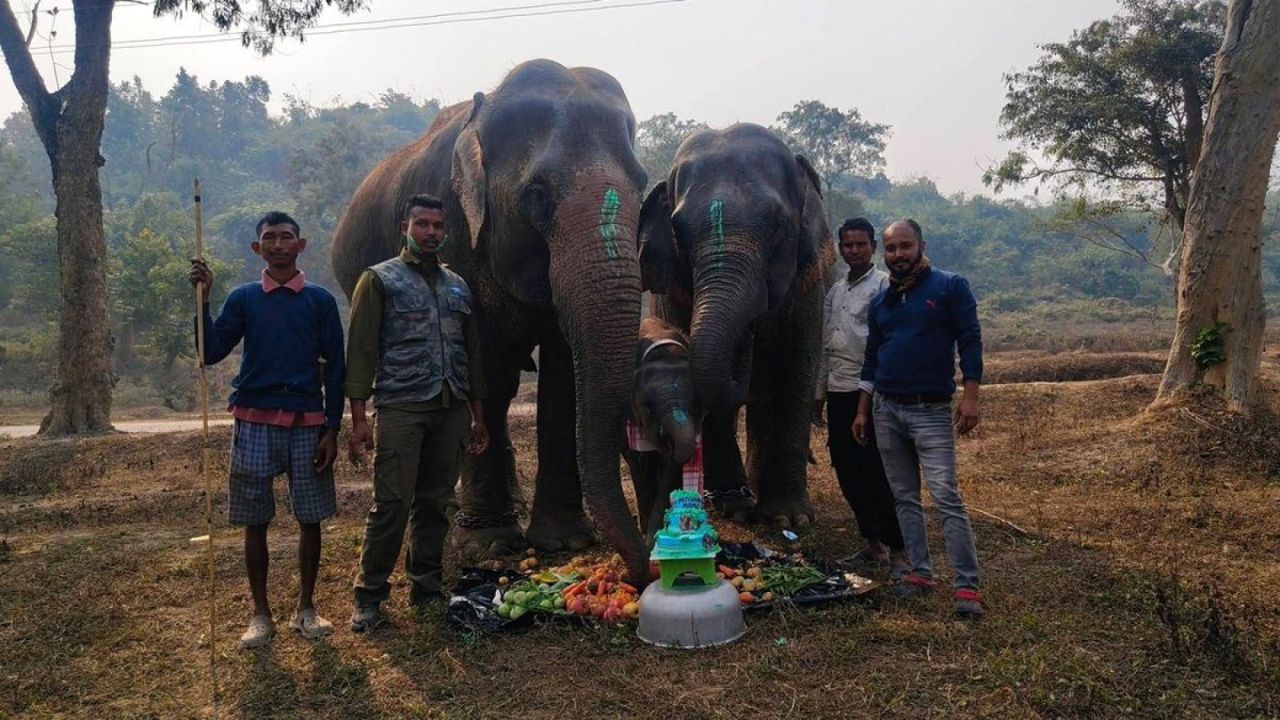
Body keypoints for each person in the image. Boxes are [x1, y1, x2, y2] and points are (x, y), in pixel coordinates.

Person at [188, 211, 345, 648]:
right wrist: (203, 300)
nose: (278, 244)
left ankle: (306, 608)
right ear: (257, 248)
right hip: (254, 418)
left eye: (287, 237)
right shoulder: (242, 299)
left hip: (308, 423)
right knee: (254, 520)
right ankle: (261, 614)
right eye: (270, 238)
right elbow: (210, 352)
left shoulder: (319, 301)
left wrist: (333, 428)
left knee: (310, 518)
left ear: (301, 245)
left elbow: (336, 369)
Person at [346, 193, 489, 633]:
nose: (430, 232)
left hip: (450, 408)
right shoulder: (378, 280)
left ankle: (425, 586)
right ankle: (369, 596)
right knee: (391, 502)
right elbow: (361, 352)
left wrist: (477, 415)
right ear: (404, 227)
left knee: (436, 503)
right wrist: (358, 420)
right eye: (422, 224)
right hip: (403, 406)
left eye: (437, 226)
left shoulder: (457, 285)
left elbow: (472, 354)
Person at [854, 218, 985, 618]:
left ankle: (967, 587)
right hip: (886, 409)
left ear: (921, 246)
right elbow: (872, 357)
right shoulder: (882, 300)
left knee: (946, 496)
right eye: (891, 249)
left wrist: (970, 397)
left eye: (905, 247)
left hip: (930, 410)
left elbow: (970, 340)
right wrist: (862, 410)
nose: (898, 256)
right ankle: (920, 572)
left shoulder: (949, 286)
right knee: (904, 497)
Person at [813, 218, 907, 576]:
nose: (854, 250)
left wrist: (868, 401)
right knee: (847, 472)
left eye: (861, 244)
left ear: (873, 248)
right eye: (848, 245)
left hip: (871, 393)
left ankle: (900, 552)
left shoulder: (884, 286)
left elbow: (886, 345)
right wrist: (818, 394)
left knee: (877, 473)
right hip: (839, 391)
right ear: (839, 249)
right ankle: (873, 543)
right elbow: (826, 346)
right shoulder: (836, 291)